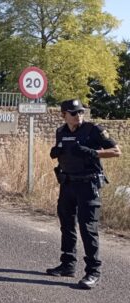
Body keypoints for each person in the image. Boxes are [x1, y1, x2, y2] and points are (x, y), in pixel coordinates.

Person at [46, 99, 121, 289]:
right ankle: (67, 265)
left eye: (80, 112)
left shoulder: (93, 130)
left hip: (88, 185)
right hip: (68, 182)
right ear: (63, 115)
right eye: (73, 113)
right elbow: (62, 153)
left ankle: (93, 272)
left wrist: (92, 152)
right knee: (67, 225)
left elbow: (116, 151)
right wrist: (56, 152)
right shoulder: (61, 132)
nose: (78, 115)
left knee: (88, 228)